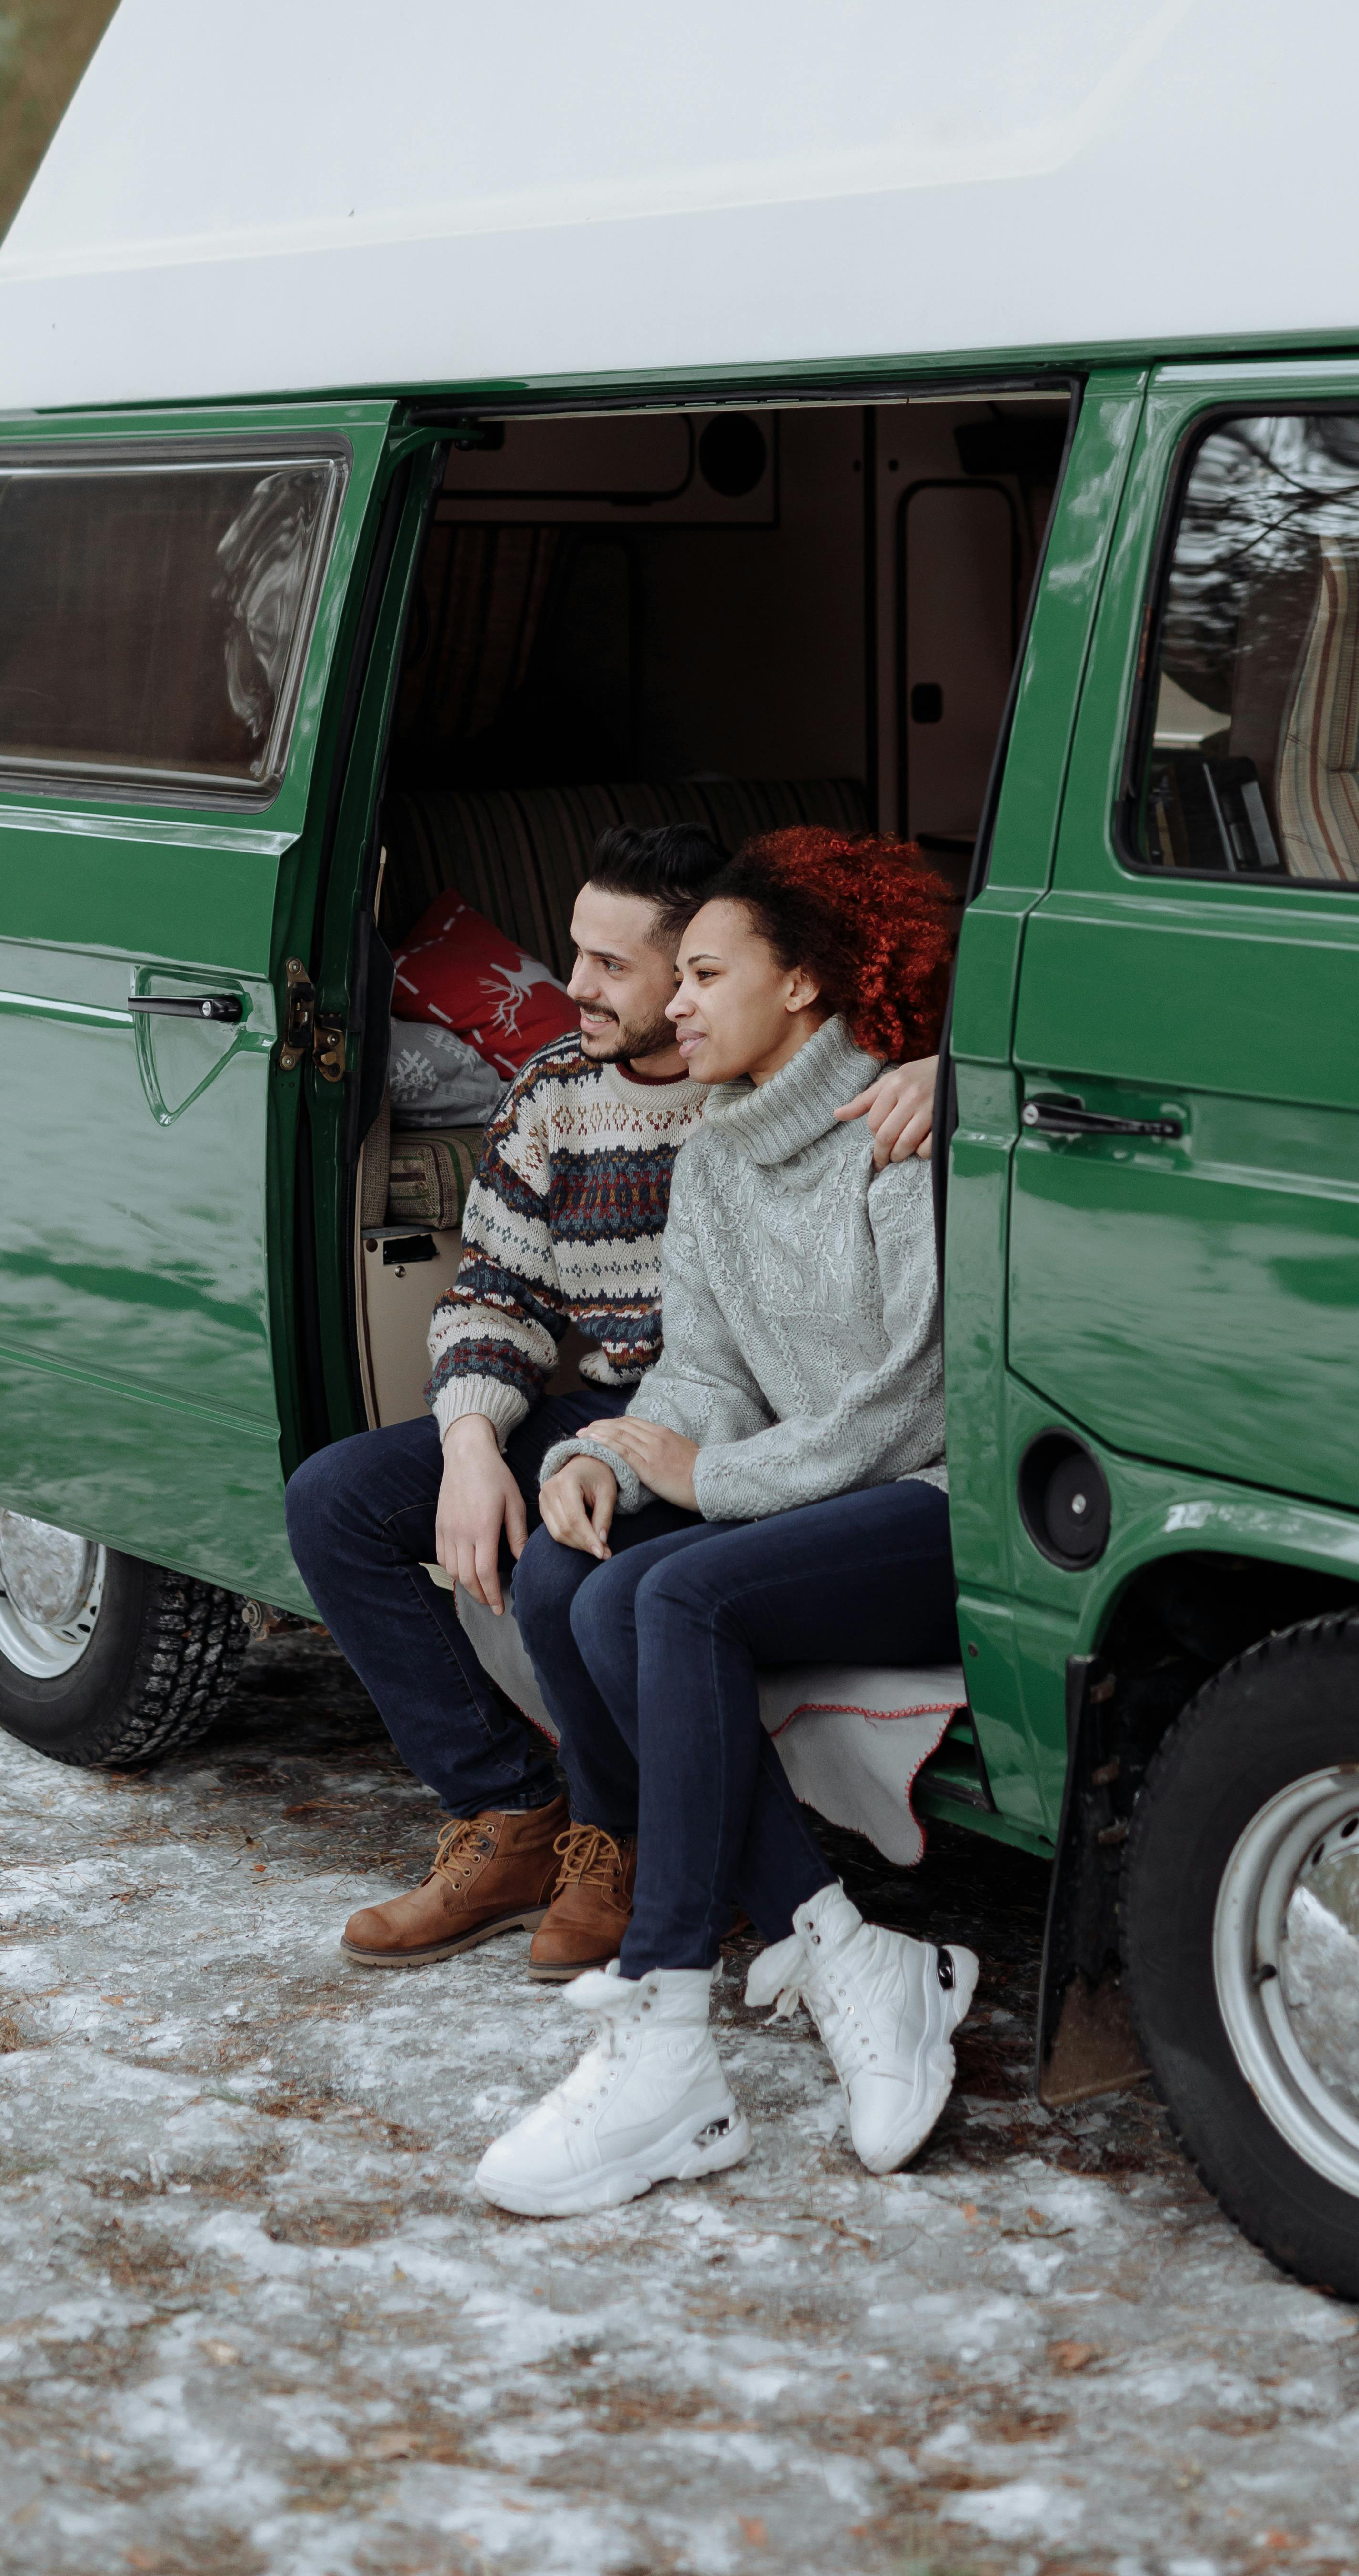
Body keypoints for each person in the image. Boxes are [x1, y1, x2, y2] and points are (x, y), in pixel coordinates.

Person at [284, 822, 938, 1983]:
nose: (572, 987)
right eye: (577, 955)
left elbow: (959, 1026)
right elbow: (502, 1290)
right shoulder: (578, 1097)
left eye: (627, 966)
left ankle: (643, 1864)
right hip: (627, 1411)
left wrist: (964, 1067)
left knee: (588, 1584)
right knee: (337, 1497)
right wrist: (482, 1441)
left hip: (773, 1440)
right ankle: (518, 1813)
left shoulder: (840, 1094)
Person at [473, 827, 974, 2220]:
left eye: (704, 971)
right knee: (575, 1581)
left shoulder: (896, 1125)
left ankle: (665, 2015)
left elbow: (909, 1401)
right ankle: (847, 1948)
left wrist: (709, 1482)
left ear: (803, 983)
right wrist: (610, 1466)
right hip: (806, 1500)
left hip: (929, 1505)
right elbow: (702, 1373)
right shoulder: (716, 1157)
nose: (673, 1001)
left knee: (672, 1597)